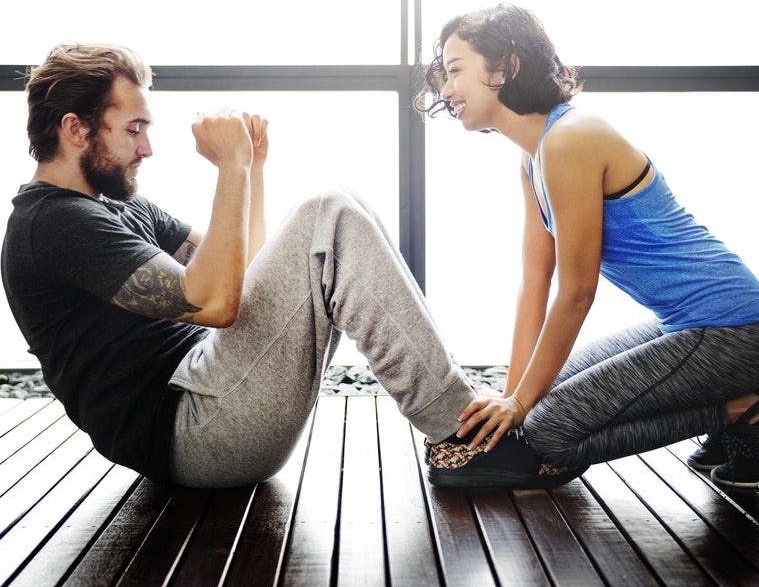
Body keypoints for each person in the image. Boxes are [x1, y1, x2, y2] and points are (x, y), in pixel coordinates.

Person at [1, 42, 584, 492]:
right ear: (75, 129)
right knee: (326, 212)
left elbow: (243, 276)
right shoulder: (53, 225)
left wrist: (249, 168)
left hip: (211, 397)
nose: (147, 148)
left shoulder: (111, 206)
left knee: (339, 205)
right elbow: (215, 305)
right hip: (191, 432)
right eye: (133, 130)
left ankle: (463, 418)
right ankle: (463, 435)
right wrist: (228, 172)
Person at [415, 2, 759, 489]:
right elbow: (536, 281)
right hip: (686, 327)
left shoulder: (570, 139)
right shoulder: (533, 157)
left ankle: (746, 409)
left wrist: (521, 406)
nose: (445, 90)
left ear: (506, 67)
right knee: (536, 398)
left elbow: (578, 291)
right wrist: (513, 398)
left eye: (454, 71)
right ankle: (737, 410)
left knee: (550, 432)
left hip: (737, 332)